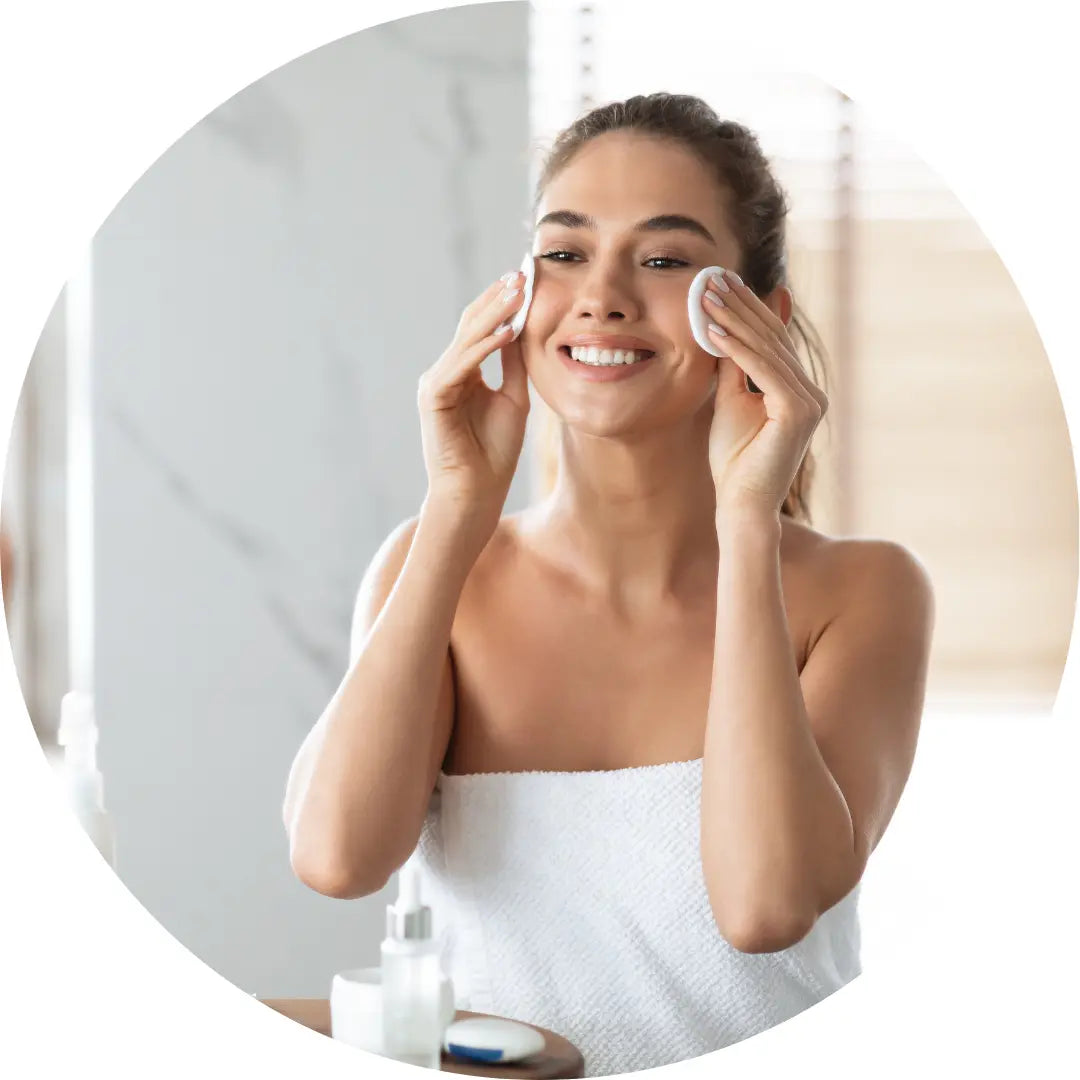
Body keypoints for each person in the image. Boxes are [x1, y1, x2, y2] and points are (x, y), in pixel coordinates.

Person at [283, 93, 935, 1075]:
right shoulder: (437, 569)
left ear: (761, 317)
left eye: (664, 259)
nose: (602, 295)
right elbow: (336, 858)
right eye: (564, 252)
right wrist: (457, 506)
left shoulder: (863, 591)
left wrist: (747, 520)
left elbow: (764, 908)